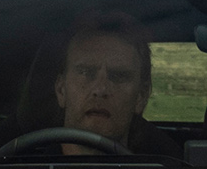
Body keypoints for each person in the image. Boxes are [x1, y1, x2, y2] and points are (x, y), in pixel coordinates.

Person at [48, 11, 180, 157]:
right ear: (61, 90)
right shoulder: (28, 163)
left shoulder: (169, 167)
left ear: (141, 96)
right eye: (86, 73)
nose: (100, 89)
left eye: (118, 76)